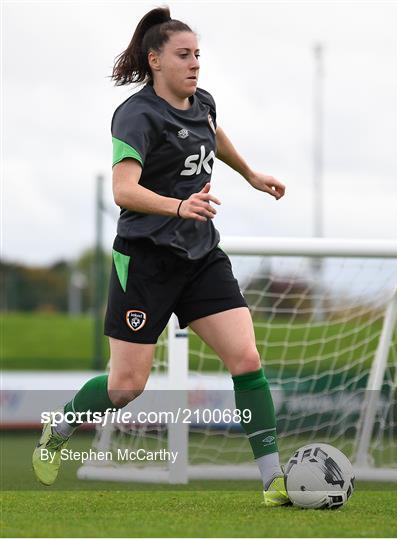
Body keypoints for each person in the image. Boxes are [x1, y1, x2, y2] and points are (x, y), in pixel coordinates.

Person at [32, 6, 288, 506]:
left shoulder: (203, 100)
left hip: (200, 257)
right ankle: (59, 427)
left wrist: (251, 175)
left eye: (198, 55)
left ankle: (273, 482)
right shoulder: (135, 114)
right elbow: (124, 190)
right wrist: (177, 206)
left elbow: (211, 131)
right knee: (126, 386)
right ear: (155, 60)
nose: (195, 64)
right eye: (183, 55)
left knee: (246, 357)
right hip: (145, 262)